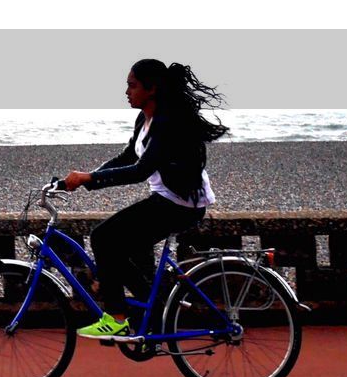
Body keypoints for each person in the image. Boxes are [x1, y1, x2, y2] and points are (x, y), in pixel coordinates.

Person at [63, 59, 229, 338]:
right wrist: (87, 179)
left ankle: (116, 317)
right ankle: (156, 313)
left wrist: (89, 178)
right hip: (169, 199)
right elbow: (128, 156)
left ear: (151, 89)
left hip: (180, 204)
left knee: (103, 238)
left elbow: (141, 171)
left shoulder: (167, 122)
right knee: (117, 249)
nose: (127, 92)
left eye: (132, 85)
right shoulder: (145, 118)